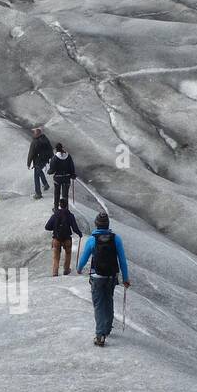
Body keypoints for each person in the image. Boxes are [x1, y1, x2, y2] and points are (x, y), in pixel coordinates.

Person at [75, 211, 130, 346]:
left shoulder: (92, 240)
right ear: (107, 225)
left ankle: (100, 335)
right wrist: (126, 278)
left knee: (99, 304)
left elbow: (84, 258)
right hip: (111, 276)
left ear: (96, 224)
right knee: (108, 300)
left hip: (97, 276)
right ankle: (107, 328)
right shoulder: (116, 239)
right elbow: (122, 260)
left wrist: (79, 268)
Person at [45, 202, 81, 276]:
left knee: (56, 256)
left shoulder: (55, 215)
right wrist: (79, 234)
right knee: (68, 253)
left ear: (59, 205)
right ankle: (66, 270)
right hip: (67, 238)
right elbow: (74, 228)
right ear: (66, 206)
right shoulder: (70, 215)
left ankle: (55, 272)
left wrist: (55, 228)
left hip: (56, 239)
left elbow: (47, 227)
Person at [26, 127, 52, 199]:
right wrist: (51, 158)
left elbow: (31, 153)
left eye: (34, 133)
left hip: (37, 161)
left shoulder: (35, 141)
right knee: (38, 173)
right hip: (44, 160)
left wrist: (28, 163)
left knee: (36, 176)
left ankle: (39, 192)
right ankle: (42, 188)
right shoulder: (46, 139)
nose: (33, 134)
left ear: (37, 134)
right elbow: (50, 149)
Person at [49, 142, 76, 208]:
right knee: (65, 195)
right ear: (62, 148)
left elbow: (52, 169)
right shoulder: (68, 156)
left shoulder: (55, 158)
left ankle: (56, 208)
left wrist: (49, 171)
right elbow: (72, 166)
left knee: (57, 194)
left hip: (58, 178)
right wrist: (73, 174)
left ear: (56, 149)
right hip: (67, 178)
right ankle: (65, 209)